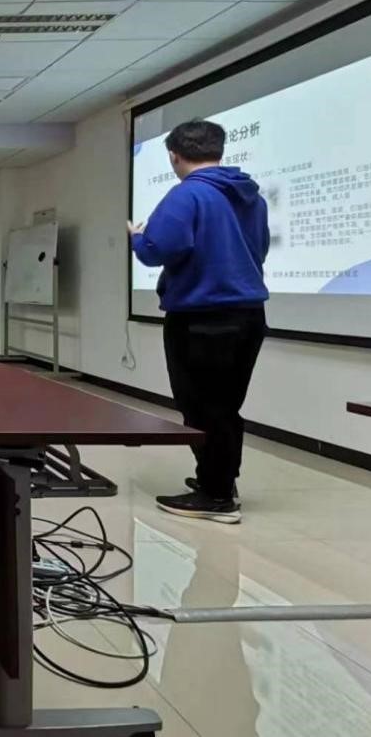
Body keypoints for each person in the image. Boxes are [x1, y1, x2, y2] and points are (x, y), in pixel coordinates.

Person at [130, 119, 269, 525]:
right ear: (219, 151)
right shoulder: (251, 196)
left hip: (201, 318)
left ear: (174, 156)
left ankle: (217, 496)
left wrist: (137, 237)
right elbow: (259, 249)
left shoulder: (188, 194)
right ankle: (220, 480)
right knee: (225, 405)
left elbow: (158, 248)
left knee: (201, 407)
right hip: (247, 315)